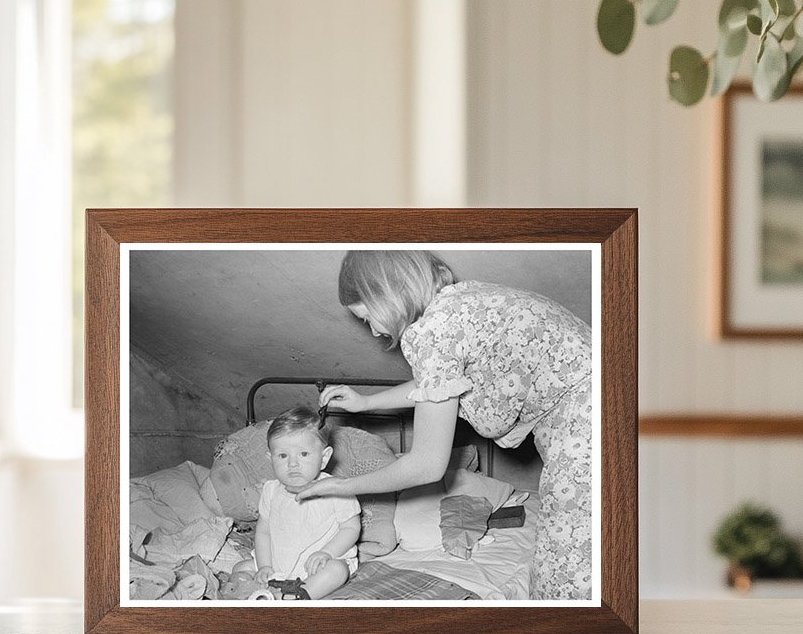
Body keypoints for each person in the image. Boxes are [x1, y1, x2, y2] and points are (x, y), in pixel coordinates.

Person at [295, 250, 593, 600]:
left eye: (367, 317)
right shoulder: (457, 306)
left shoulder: (431, 332)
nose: (374, 331)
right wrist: (367, 402)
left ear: (386, 294)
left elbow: (426, 465)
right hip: (600, 406)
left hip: (586, 426)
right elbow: (438, 385)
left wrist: (340, 487)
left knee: (566, 574)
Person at [254, 405, 361, 600]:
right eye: (283, 455)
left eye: (303, 454)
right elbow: (263, 531)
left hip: (316, 566)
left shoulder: (337, 489)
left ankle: (298, 596)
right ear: (271, 459)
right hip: (277, 566)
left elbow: (351, 528)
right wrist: (264, 566)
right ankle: (253, 592)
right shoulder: (270, 490)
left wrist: (326, 553)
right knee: (241, 567)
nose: (292, 463)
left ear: (324, 458)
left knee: (337, 570)